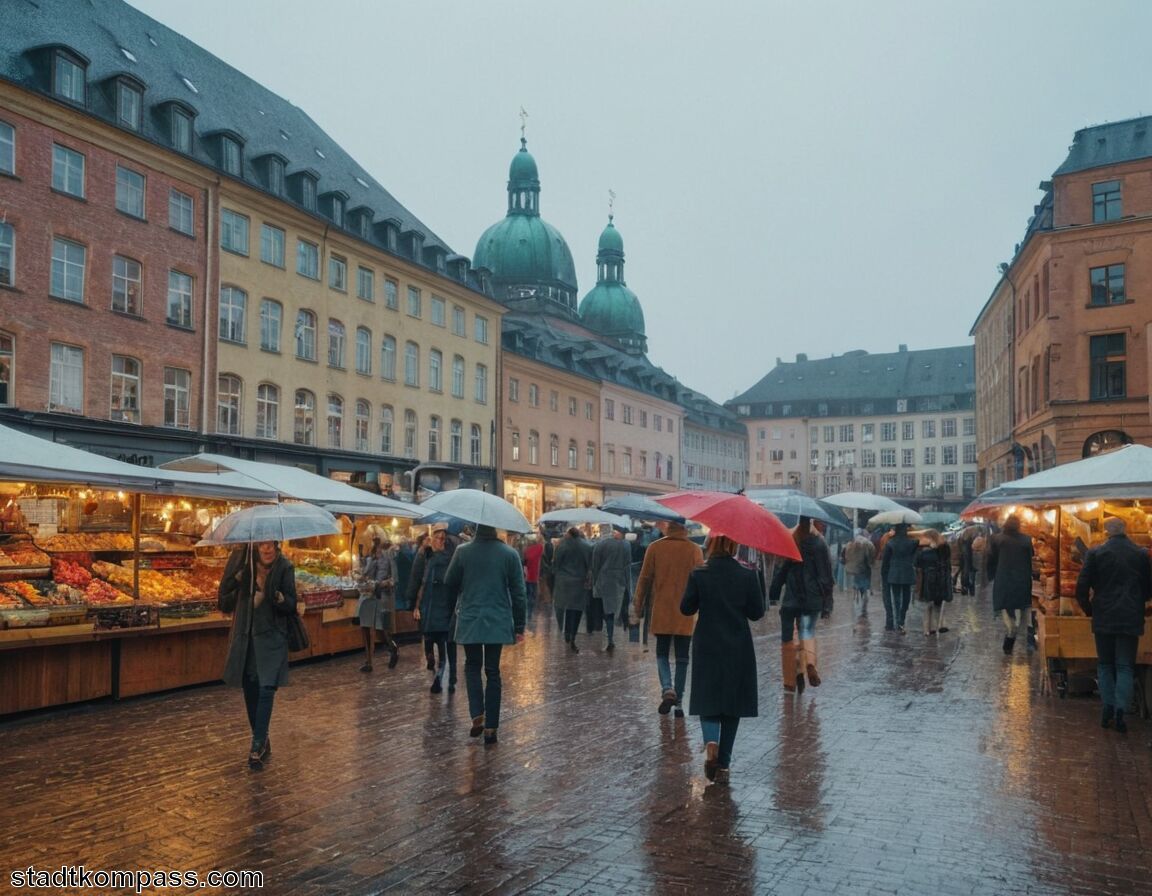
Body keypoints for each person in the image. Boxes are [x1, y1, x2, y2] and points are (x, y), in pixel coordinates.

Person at [680, 534, 764, 785]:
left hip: (707, 642)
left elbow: (686, 608)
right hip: (737, 644)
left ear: (711, 545)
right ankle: (724, 761)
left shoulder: (699, 574)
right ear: (734, 545)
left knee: (707, 697)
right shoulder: (747, 575)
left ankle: (711, 742)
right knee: (732, 702)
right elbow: (757, 613)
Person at [217, 540, 298, 770]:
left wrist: (277, 597)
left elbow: (291, 603)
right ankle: (261, 737)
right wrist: (239, 579)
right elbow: (223, 599)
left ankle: (257, 744)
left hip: (273, 637)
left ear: (276, 545)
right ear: (255, 546)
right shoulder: (242, 562)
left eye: (271, 543)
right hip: (247, 637)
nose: (267, 549)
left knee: (266, 688)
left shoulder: (284, 567)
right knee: (251, 688)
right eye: (262, 544)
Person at [444, 523, 527, 745]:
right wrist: (519, 626)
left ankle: (477, 714)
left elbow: (449, 581)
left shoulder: (463, 551)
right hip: (497, 620)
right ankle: (491, 728)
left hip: (470, 617)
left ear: (476, 527)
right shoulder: (509, 554)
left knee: (472, 666)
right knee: (492, 671)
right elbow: (519, 593)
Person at [1075, 517, 1152, 733]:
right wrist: (1139, 601)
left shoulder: (1095, 553)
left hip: (1104, 615)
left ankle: (1107, 707)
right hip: (1130, 616)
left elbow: (1081, 587)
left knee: (1105, 665)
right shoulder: (1140, 554)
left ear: (1107, 532)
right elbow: (1148, 587)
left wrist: (1089, 609)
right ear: (1124, 530)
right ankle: (1121, 711)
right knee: (1125, 666)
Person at [632, 519, 703, 716]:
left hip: (662, 608)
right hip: (686, 611)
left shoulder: (655, 548)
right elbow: (701, 581)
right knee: (682, 658)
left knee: (662, 653)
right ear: (685, 529)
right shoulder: (694, 550)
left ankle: (667, 688)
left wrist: (637, 606)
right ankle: (678, 702)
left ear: (668, 528)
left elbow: (644, 579)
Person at [769, 516, 833, 692]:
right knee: (807, 632)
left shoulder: (791, 541)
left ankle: (791, 677)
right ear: (811, 523)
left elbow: (781, 571)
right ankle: (810, 663)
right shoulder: (819, 544)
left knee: (788, 638)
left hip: (790, 600)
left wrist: (773, 593)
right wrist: (827, 603)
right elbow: (826, 576)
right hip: (811, 599)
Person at [413, 525, 458, 694]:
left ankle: (447, 677)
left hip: (444, 610)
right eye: (437, 538)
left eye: (442, 539)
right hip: (434, 610)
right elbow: (420, 583)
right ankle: (446, 676)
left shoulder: (443, 558)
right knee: (439, 643)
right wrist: (416, 605)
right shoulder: (428, 557)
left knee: (447, 645)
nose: (440, 541)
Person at [987, 514, 1035, 655]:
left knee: (1007, 610)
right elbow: (1031, 557)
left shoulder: (996, 539)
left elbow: (991, 560)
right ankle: (1027, 639)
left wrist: (991, 576)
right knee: (1025, 610)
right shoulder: (1027, 540)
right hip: (1022, 581)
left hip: (1004, 580)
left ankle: (1010, 638)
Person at [356, 537, 398, 672]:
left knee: (381, 630)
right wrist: (361, 573)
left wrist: (386, 583)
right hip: (368, 596)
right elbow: (364, 573)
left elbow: (394, 579)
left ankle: (392, 648)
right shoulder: (370, 558)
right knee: (365, 627)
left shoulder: (389, 558)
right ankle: (368, 661)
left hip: (383, 597)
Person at [590, 525, 632, 652]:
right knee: (614, 610)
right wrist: (628, 585)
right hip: (619, 581)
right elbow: (628, 566)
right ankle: (610, 637)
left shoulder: (599, 545)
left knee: (606, 610)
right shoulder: (625, 545)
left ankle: (609, 637)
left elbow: (595, 566)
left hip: (604, 580)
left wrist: (595, 583)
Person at [552, 527, 593, 652]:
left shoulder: (562, 545)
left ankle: (567, 632)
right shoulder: (587, 546)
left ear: (569, 534)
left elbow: (556, 564)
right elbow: (590, 565)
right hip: (579, 582)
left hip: (564, 582)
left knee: (566, 608)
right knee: (577, 610)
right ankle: (573, 635)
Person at [404, 533, 436, 670]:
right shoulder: (422, 555)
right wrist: (413, 598)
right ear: (422, 541)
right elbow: (416, 577)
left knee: (428, 628)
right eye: (427, 539)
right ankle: (430, 654)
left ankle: (430, 654)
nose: (430, 541)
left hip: (426, 596)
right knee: (427, 627)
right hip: (423, 596)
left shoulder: (426, 554)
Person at [881, 523, 918, 633]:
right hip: (908, 573)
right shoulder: (912, 543)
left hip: (894, 574)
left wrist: (884, 574)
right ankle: (901, 620)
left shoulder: (890, 543)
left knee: (896, 599)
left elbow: (885, 562)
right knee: (906, 598)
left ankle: (897, 621)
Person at [914, 529, 952, 635]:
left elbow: (917, 563)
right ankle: (940, 624)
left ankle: (929, 628)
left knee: (928, 604)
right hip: (942, 580)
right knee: (938, 604)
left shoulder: (925, 552)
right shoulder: (945, 549)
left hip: (929, 580)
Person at [842, 528, 876, 618]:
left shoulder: (849, 543)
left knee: (857, 584)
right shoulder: (868, 543)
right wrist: (871, 563)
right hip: (864, 569)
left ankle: (857, 601)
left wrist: (846, 563)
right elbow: (872, 554)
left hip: (853, 570)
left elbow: (843, 555)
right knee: (865, 587)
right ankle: (863, 606)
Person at [522, 534, 543, 622]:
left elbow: (524, 563)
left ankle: (528, 613)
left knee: (528, 595)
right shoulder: (539, 548)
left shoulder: (526, 550)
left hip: (527, 575)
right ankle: (530, 613)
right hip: (535, 575)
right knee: (533, 595)